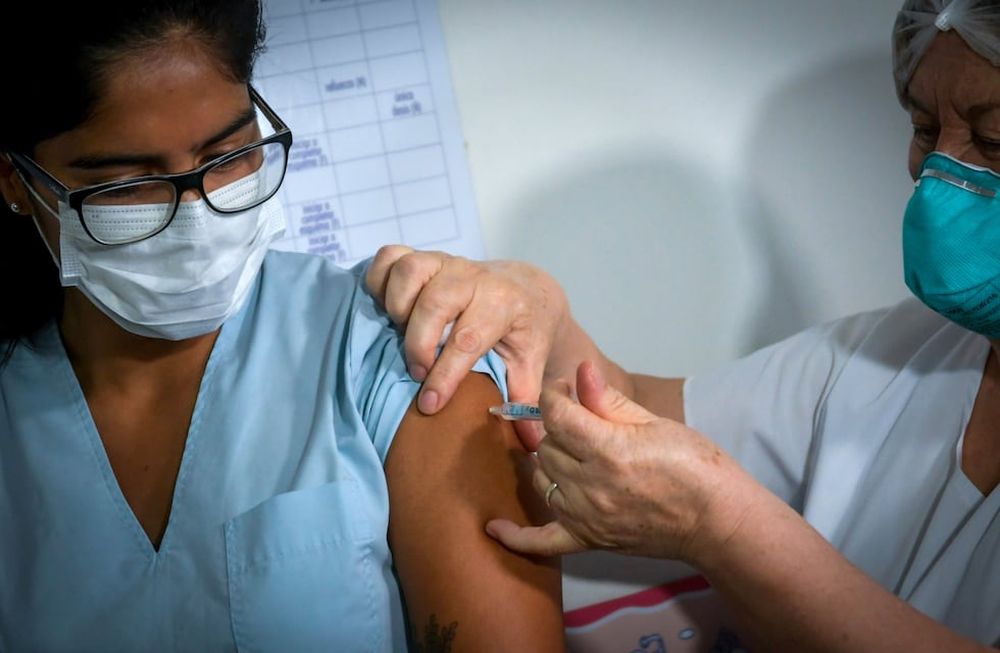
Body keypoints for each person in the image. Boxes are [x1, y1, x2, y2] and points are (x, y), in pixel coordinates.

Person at [364, 0, 1000, 650]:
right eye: (924, 127)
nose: (941, 175)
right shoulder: (899, 357)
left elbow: (697, 488)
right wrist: (546, 320)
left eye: (994, 138)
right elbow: (641, 419)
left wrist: (717, 525)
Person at [0, 2, 565, 651]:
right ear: (19, 182)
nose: (194, 220)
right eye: (127, 186)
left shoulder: (399, 352)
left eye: (230, 152)